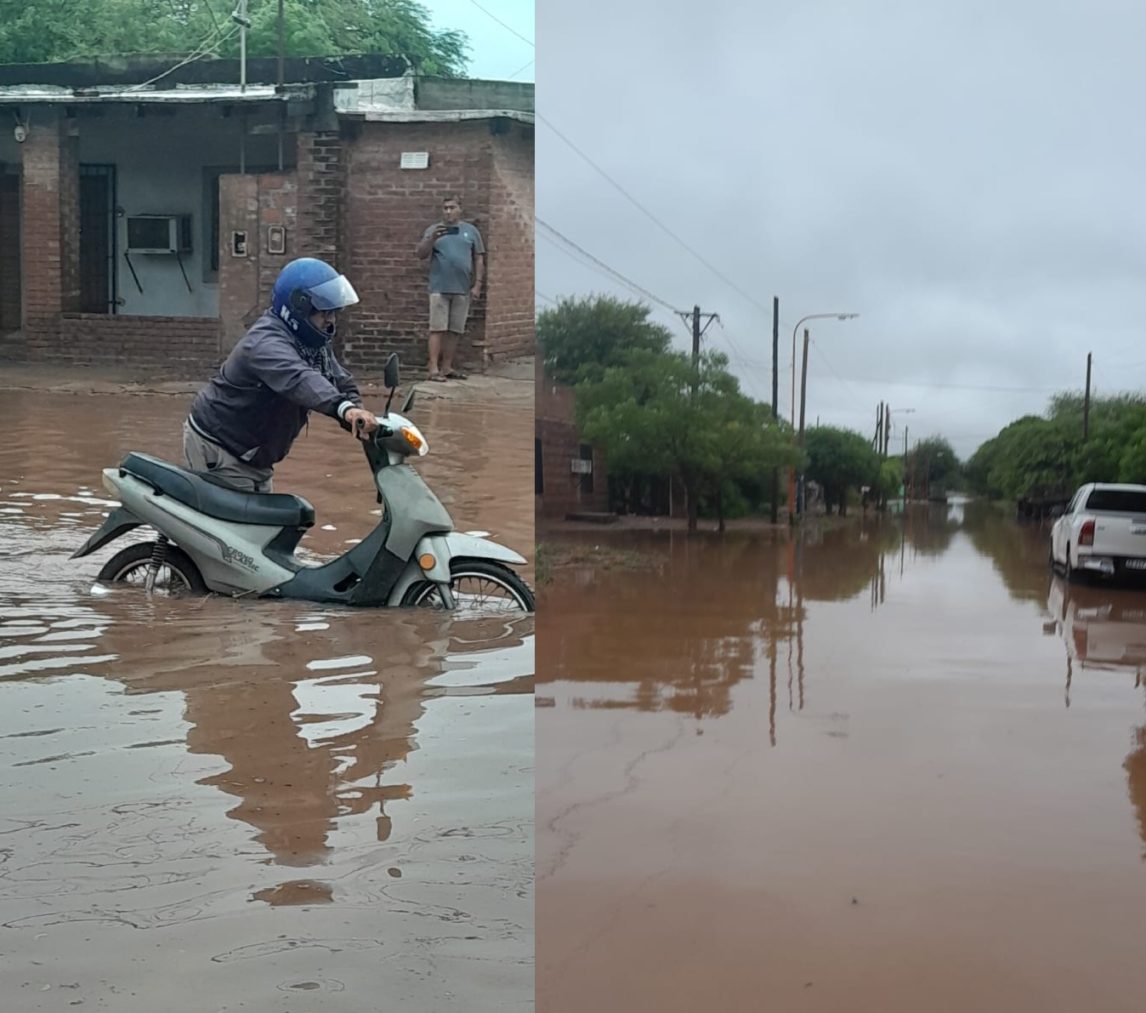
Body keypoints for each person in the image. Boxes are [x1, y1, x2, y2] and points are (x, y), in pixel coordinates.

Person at [182, 257, 379, 493]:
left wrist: (356, 412)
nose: (331, 321)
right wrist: (342, 408)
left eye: (333, 313)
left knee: (270, 524)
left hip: (255, 454)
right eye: (324, 313)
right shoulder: (265, 344)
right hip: (221, 447)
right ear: (299, 309)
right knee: (242, 527)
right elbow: (300, 378)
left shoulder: (311, 340)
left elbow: (339, 380)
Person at [414, 194, 484, 382]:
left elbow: (478, 257)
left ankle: (447, 367)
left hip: (462, 289)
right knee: (437, 328)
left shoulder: (471, 231)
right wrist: (431, 239)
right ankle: (433, 369)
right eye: (445, 208)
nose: (448, 211)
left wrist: (477, 284)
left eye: (452, 207)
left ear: (460, 209)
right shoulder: (433, 230)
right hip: (439, 287)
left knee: (455, 330)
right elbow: (420, 254)